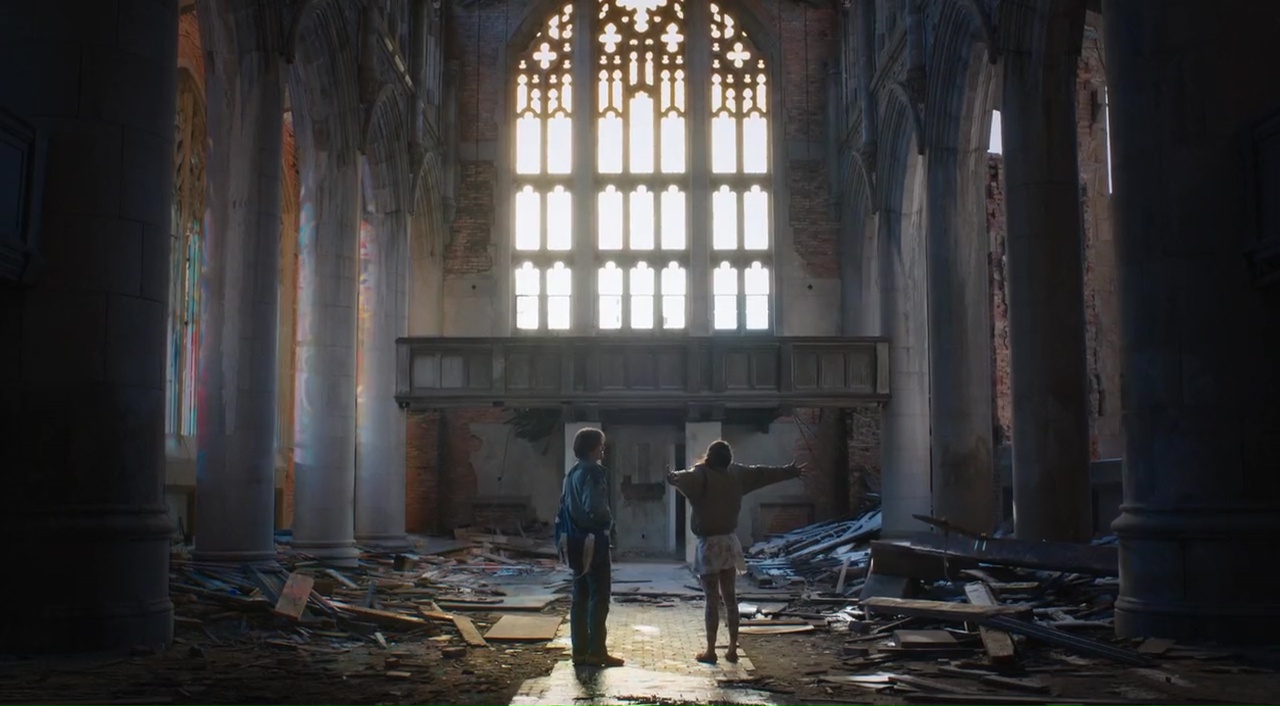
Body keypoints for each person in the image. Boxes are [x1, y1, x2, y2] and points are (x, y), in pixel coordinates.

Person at [666, 440, 807, 664]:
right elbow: (762, 473)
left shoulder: (700, 474)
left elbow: (682, 477)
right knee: (730, 598)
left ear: (709, 457)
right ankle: (732, 649)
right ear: (728, 458)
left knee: (712, 600)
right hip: (730, 543)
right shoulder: (737, 474)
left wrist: (673, 477)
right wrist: (789, 472)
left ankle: (711, 651)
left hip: (709, 545)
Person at [554, 427, 625, 668]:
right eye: (601, 445)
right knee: (599, 596)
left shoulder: (572, 472)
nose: (604, 449)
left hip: (574, 540)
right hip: (594, 540)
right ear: (593, 447)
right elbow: (595, 507)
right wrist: (608, 525)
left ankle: (580, 651)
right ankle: (597, 652)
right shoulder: (593, 472)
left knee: (580, 597)